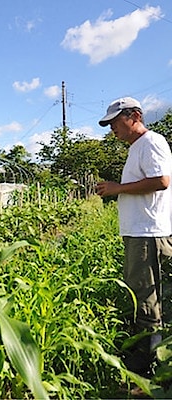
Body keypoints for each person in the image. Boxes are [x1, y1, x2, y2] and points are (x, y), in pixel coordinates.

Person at [96, 97, 172, 377]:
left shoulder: (151, 142)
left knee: (146, 300)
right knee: (142, 296)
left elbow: (161, 181)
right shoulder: (136, 147)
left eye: (115, 122)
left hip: (147, 235)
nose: (112, 129)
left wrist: (118, 188)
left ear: (135, 116)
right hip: (139, 234)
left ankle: (148, 372)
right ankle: (149, 361)